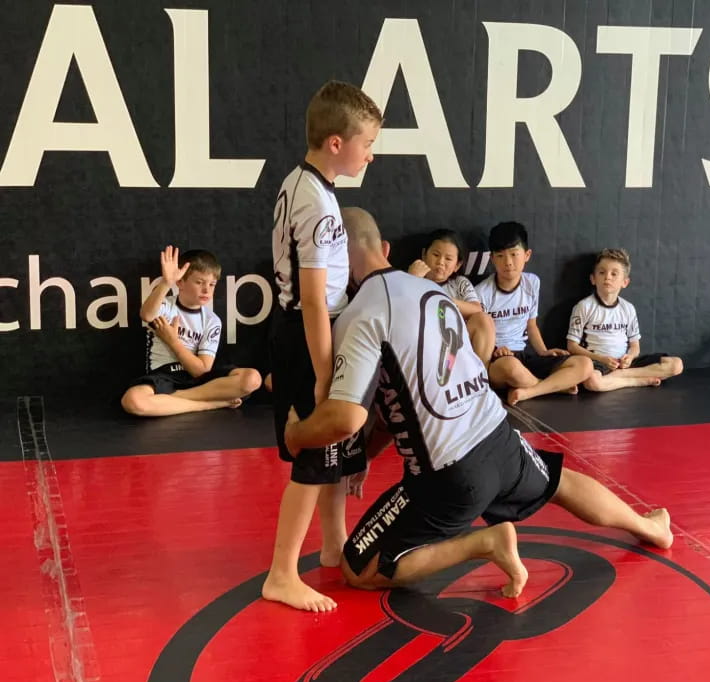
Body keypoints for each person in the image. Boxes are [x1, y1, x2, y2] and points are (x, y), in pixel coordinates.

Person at [283, 207, 673, 601]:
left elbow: (346, 417)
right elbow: (403, 395)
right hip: (499, 436)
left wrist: (297, 434)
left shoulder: (361, 313)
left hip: (450, 476)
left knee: (357, 566)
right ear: (385, 247)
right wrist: (367, 454)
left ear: (333, 260)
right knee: (560, 483)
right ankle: (649, 526)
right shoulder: (433, 291)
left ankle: (484, 544)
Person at [262, 81, 382, 613]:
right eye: (366, 143)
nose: (370, 154)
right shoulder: (320, 205)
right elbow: (312, 299)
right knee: (314, 453)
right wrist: (323, 368)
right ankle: (282, 573)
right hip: (308, 331)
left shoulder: (304, 184)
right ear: (337, 143)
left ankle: (334, 545)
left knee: (337, 448)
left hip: (309, 326)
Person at [121, 246, 261, 416]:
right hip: (165, 376)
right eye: (199, 282)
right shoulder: (166, 306)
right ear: (180, 282)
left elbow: (201, 371)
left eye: (212, 284)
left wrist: (172, 341)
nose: (206, 290)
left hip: (200, 382)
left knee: (252, 379)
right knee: (133, 401)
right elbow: (147, 314)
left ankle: (174, 399)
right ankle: (210, 404)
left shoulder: (212, 320)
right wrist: (166, 282)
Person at [474, 221, 593, 405]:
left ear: (527, 255)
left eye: (514, 254)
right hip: (498, 361)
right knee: (511, 368)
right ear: (492, 259)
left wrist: (544, 351)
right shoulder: (482, 292)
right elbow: (479, 335)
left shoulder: (532, 283)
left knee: (585, 365)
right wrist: (496, 350)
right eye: (501, 256)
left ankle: (529, 392)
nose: (508, 263)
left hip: (524, 355)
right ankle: (554, 387)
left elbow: (531, 325)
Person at [567, 249, 683, 391]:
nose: (607, 277)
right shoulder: (584, 307)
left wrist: (629, 357)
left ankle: (621, 376)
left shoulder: (628, 308)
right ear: (593, 278)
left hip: (624, 364)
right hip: (598, 363)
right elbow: (572, 346)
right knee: (592, 382)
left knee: (676, 365)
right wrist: (601, 359)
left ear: (625, 282)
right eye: (602, 273)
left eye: (614, 274)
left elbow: (635, 346)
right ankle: (636, 381)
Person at [407, 229, 495, 363]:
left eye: (448, 258)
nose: (441, 262)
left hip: (457, 345)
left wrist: (443, 299)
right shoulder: (413, 279)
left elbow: (477, 309)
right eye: (436, 255)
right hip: (426, 345)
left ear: (457, 265)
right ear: (424, 255)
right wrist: (411, 281)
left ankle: (481, 376)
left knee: (484, 319)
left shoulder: (459, 283)